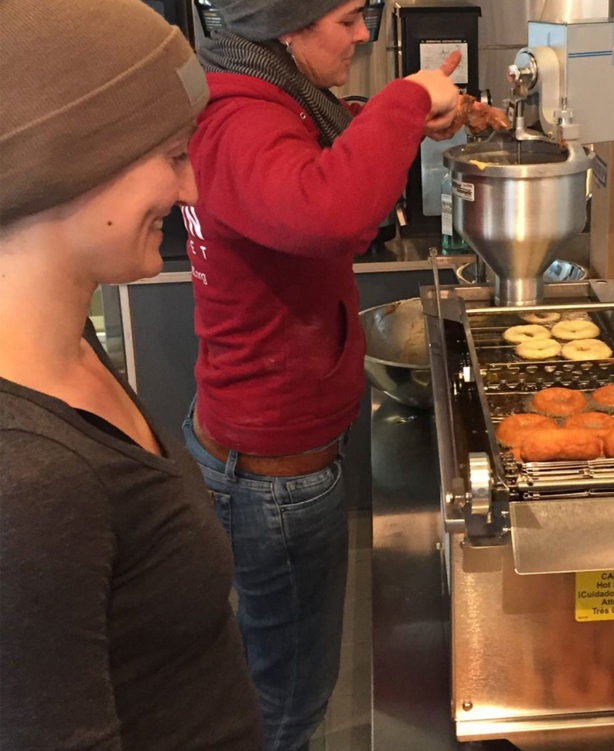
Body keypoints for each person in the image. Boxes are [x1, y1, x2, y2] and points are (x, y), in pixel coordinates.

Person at [179, 0, 462, 748]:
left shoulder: (263, 94)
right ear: (286, 27)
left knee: (265, 668)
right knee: (289, 702)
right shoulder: (241, 117)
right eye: (346, 20)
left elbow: (318, 156)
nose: (364, 33)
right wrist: (407, 98)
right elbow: (328, 208)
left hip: (265, 453)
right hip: (274, 472)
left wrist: (394, 118)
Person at [0, 1, 262, 749]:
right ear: (69, 158)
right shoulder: (28, 477)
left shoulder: (68, 344)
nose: (193, 194)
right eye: (175, 157)